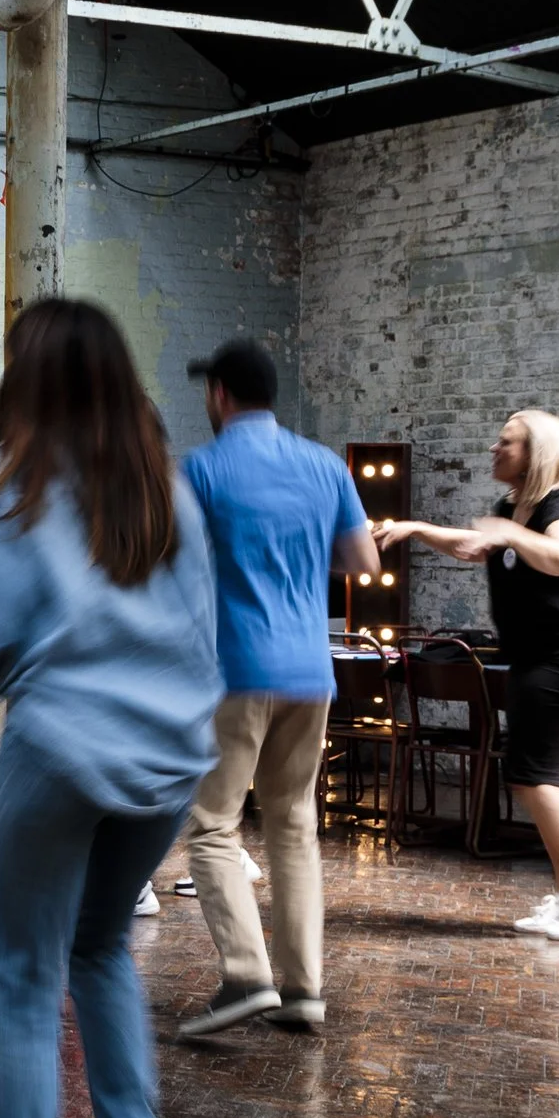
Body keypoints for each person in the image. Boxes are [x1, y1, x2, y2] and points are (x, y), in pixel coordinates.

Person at [0, 300, 221, 1118]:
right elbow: (200, 637)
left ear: (23, 375)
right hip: (169, 761)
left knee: (18, 979)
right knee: (98, 945)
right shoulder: (163, 495)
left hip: (57, 752)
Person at [174, 340, 379, 1037]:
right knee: (293, 824)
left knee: (212, 825)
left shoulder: (200, 470)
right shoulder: (325, 466)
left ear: (221, 394)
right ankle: (304, 990)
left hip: (233, 669)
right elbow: (362, 559)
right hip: (309, 670)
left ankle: (245, 974)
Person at [378, 410, 559, 940]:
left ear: (534, 453)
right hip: (545, 655)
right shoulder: (513, 507)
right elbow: (473, 546)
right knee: (539, 770)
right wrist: (418, 528)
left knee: (535, 772)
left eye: (505, 442)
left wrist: (512, 533)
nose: (494, 449)